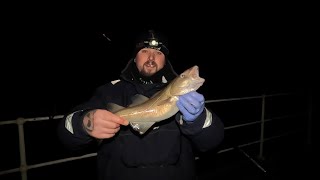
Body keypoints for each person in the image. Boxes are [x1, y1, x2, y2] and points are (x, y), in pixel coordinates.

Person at [57, 29, 224, 180]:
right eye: (144, 51)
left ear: (165, 60)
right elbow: (65, 134)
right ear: (135, 58)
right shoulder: (110, 91)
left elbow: (212, 142)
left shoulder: (186, 98)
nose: (151, 58)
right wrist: (85, 123)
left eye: (158, 53)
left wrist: (199, 119)